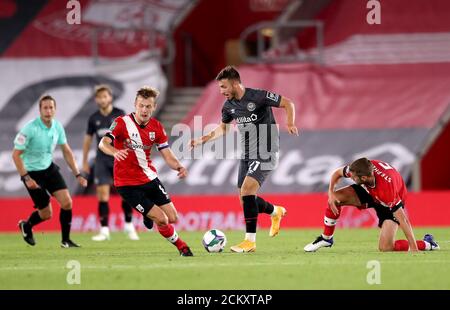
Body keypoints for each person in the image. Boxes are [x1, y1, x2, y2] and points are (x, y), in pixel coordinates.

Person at [190, 66, 299, 253]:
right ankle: (275, 211)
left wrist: (289, 122)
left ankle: (250, 242)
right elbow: (223, 129)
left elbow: (288, 103)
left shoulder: (258, 96)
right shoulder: (228, 107)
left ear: (235, 83)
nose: (221, 91)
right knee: (245, 199)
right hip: (247, 154)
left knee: (248, 190)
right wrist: (203, 139)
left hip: (266, 150)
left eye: (224, 87)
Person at [99, 86, 193, 256]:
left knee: (173, 218)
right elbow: (103, 143)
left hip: (149, 178)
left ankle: (148, 215)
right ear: (135, 104)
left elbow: (167, 153)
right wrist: (115, 151)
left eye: (148, 106)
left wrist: (179, 166)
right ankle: (182, 247)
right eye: (141, 105)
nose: (144, 110)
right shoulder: (121, 123)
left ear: (154, 107)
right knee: (162, 219)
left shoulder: (157, 127)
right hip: (127, 184)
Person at [304, 158, 440, 252]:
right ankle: (326, 238)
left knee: (386, 248)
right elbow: (337, 173)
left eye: (353, 177)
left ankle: (428, 243)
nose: (351, 178)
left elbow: (403, 219)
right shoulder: (360, 169)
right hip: (368, 190)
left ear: (363, 178)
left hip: (387, 201)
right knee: (336, 198)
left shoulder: (387, 190)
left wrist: (414, 248)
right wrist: (330, 192)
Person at [13, 94, 88, 248]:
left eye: (51, 108)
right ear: (40, 110)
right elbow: (16, 155)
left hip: (49, 169)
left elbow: (66, 151)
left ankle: (66, 241)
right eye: (45, 108)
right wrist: (26, 177)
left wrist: (77, 174)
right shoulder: (30, 128)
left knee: (67, 202)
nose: (48, 111)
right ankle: (27, 226)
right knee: (47, 214)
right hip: (32, 173)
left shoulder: (57, 126)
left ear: (55, 109)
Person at [82, 84, 139, 241]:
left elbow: (130, 133)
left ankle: (129, 225)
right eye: (99, 97)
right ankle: (104, 231)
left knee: (125, 194)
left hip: (119, 158)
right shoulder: (94, 118)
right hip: (101, 159)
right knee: (102, 195)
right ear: (96, 99)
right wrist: (85, 161)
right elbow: (87, 140)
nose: (102, 99)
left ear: (110, 98)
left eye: (105, 96)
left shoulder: (119, 114)